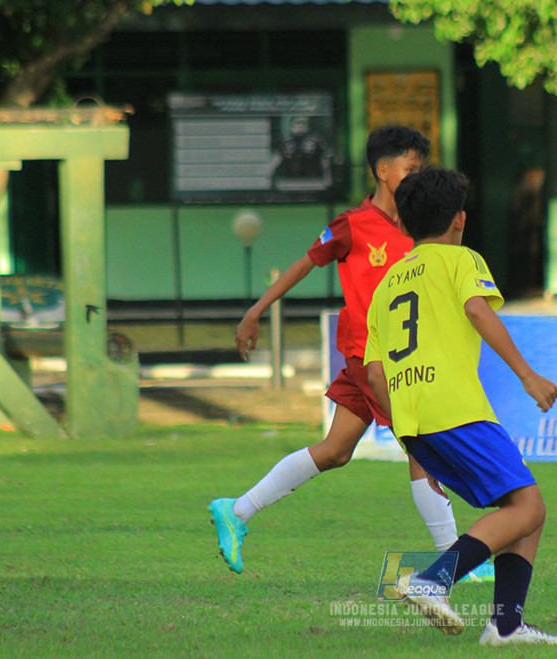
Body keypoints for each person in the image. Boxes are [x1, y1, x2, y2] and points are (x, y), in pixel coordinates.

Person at [208, 126, 492, 582]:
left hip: (393, 358)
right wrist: (256, 310)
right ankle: (459, 563)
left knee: (337, 450)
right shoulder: (352, 225)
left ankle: (236, 510)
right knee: (424, 450)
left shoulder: (418, 228)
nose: (417, 177)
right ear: (382, 171)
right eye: (410, 169)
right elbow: (304, 262)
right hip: (369, 359)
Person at [365, 167, 557, 646]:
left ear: (404, 224)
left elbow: (374, 374)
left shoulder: (387, 283)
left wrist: (409, 435)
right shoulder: (461, 261)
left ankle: (505, 626)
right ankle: (432, 581)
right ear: (459, 220)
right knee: (529, 505)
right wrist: (528, 375)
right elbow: (478, 310)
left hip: (414, 421)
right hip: (456, 411)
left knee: (519, 508)